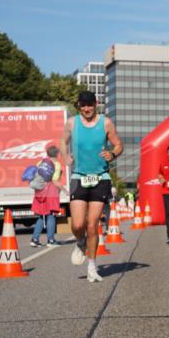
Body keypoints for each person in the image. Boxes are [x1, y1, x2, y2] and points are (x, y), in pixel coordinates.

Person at [61, 91, 123, 282]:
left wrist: (112, 154)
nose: (87, 108)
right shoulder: (72, 123)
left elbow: (118, 145)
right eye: (83, 105)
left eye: (90, 105)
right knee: (78, 224)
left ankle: (92, 267)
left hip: (100, 178)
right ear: (79, 105)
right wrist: (65, 156)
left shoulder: (106, 123)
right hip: (79, 177)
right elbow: (63, 142)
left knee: (92, 225)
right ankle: (80, 242)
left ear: (96, 104)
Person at [30, 145, 64, 247]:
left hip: (39, 192)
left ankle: (35, 239)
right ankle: (51, 240)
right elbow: (54, 180)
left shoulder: (40, 162)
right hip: (50, 192)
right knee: (51, 215)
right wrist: (65, 190)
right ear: (56, 154)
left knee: (41, 215)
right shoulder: (56, 164)